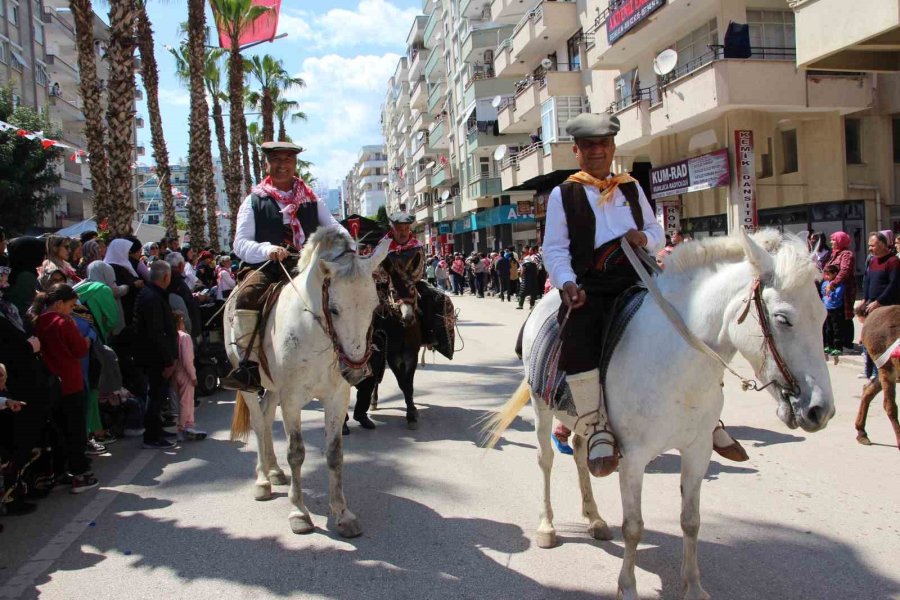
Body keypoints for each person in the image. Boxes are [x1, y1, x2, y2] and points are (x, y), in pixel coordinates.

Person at [542, 112, 745, 476]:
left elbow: (657, 231)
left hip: (640, 276)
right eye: (588, 146)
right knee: (579, 331)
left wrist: (645, 238)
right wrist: (566, 282)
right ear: (576, 151)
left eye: (603, 144)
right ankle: (596, 423)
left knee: (689, 324)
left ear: (613, 147)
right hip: (593, 282)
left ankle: (708, 416)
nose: (597, 151)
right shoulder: (564, 193)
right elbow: (554, 248)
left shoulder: (631, 187)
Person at [224, 141, 343, 391]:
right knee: (247, 296)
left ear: (294, 164)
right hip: (268, 267)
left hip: (307, 266)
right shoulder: (254, 201)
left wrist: (349, 245)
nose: (282, 165)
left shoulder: (311, 199)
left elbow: (333, 227)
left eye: (287, 160)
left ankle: (353, 356)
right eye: (276, 160)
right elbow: (240, 243)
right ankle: (248, 367)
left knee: (345, 293)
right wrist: (267, 249)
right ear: (267, 164)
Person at [30, 284, 97, 493]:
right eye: (70, 305)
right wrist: (86, 340)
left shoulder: (37, 322)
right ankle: (79, 475)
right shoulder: (64, 323)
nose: (71, 310)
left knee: (58, 431)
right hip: (70, 382)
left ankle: (60, 472)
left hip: (51, 384)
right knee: (75, 431)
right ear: (59, 304)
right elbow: (78, 349)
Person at [133, 261, 178, 449]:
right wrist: (168, 361)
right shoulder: (152, 297)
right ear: (165, 277)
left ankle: (157, 429)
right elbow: (156, 332)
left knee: (159, 395)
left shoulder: (152, 294)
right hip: (155, 357)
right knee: (156, 394)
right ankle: (151, 436)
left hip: (153, 354)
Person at [172, 311, 206, 442]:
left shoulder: (173, 336)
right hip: (185, 373)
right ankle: (184, 427)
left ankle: (185, 425)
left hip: (176, 373)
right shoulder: (185, 337)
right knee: (187, 401)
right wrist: (193, 376)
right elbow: (187, 359)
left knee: (181, 400)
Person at [824, 231, 857, 352]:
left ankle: (847, 344)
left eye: (834, 240)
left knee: (845, 315)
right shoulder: (834, 254)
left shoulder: (847, 254)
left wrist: (833, 283)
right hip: (832, 291)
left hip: (844, 290)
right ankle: (834, 342)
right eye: (831, 240)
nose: (832, 242)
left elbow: (845, 271)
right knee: (833, 317)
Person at [104, 238, 145, 328]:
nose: (128, 254)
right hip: (123, 309)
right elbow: (117, 288)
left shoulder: (123, 265)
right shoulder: (113, 268)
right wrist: (134, 284)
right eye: (127, 251)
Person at [6, 237, 46, 315]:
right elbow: (27, 305)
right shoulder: (26, 276)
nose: (44, 256)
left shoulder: (19, 270)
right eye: (41, 252)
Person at [821, 265, 845, 357]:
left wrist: (830, 290)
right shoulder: (825, 283)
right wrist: (826, 290)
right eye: (825, 274)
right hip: (826, 308)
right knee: (828, 328)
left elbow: (837, 296)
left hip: (835, 309)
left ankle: (838, 347)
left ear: (835, 274)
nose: (826, 277)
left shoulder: (839, 284)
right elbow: (823, 292)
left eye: (828, 274)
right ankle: (828, 345)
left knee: (836, 329)